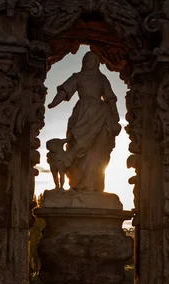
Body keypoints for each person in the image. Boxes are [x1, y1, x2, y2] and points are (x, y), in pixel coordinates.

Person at [48, 51, 121, 192]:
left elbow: (110, 98)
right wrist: (53, 102)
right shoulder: (78, 77)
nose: (90, 61)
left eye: (94, 59)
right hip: (82, 116)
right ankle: (78, 184)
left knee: (98, 152)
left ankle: (94, 185)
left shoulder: (102, 79)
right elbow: (65, 91)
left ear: (97, 63)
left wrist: (115, 116)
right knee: (76, 145)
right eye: (88, 59)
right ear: (84, 61)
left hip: (100, 116)